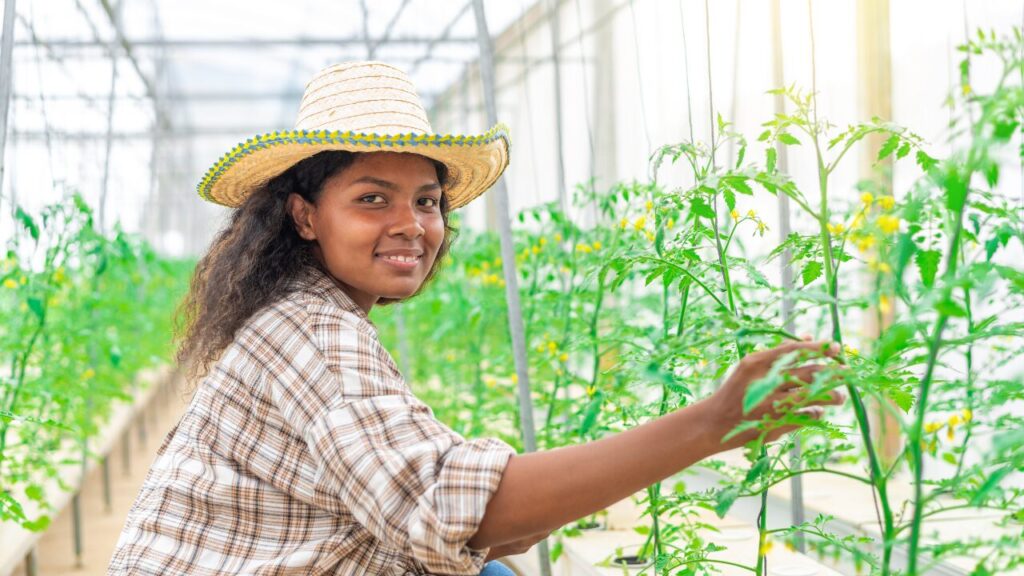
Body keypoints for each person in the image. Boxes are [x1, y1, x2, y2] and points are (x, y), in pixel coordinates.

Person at [108, 62, 844, 576]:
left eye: (426, 201)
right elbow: (451, 508)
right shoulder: (311, 333)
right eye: (372, 199)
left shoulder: (312, 313)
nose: (410, 225)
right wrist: (711, 424)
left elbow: (466, 523)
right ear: (305, 216)